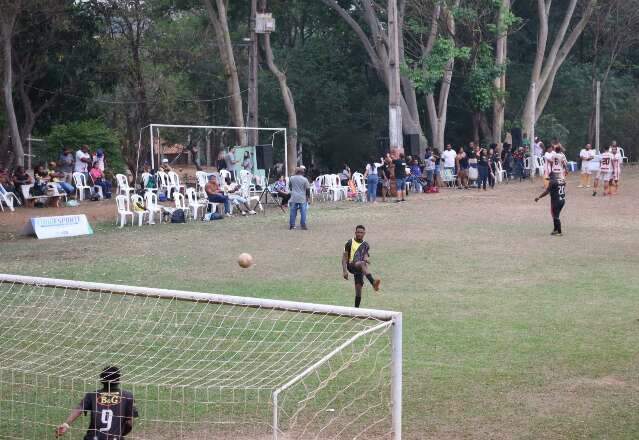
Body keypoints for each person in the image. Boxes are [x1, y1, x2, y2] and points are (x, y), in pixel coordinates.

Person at [55, 366, 138, 439]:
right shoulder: (127, 396)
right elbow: (130, 422)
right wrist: (121, 433)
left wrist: (66, 424)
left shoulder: (92, 395)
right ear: (118, 380)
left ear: (101, 380)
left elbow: (79, 409)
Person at [342, 225, 381, 308]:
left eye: (361, 232)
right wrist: (345, 271)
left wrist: (366, 259)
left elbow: (366, 255)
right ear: (355, 232)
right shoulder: (349, 243)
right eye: (358, 232)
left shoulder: (366, 245)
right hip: (352, 265)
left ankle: (356, 311)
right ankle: (373, 282)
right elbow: (344, 258)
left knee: (358, 290)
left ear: (364, 234)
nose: (359, 234)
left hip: (360, 269)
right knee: (362, 263)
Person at [535, 172, 566, 236]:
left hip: (556, 201)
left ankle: (560, 232)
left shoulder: (552, 182)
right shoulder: (562, 180)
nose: (549, 181)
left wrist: (539, 197)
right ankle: (555, 229)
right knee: (555, 215)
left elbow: (546, 192)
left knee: (556, 216)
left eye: (550, 179)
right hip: (562, 200)